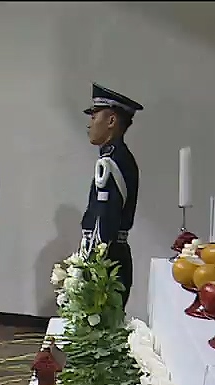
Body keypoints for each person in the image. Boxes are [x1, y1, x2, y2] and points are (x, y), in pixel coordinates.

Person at [81, 83, 142, 308]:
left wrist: (91, 264)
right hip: (112, 257)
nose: (90, 123)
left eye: (95, 116)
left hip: (107, 263)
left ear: (111, 121)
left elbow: (104, 220)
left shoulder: (112, 162)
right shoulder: (115, 157)